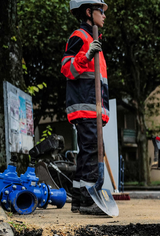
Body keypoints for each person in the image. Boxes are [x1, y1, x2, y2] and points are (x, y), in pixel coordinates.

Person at [61, 0, 110, 215]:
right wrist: (87, 54)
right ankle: (90, 201)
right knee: (91, 152)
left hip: (92, 107)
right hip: (86, 106)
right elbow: (66, 67)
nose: (105, 15)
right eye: (101, 11)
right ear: (89, 12)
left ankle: (80, 200)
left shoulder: (92, 39)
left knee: (87, 152)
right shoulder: (80, 37)